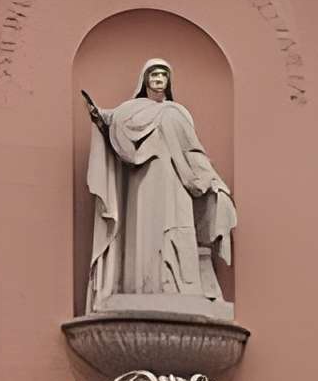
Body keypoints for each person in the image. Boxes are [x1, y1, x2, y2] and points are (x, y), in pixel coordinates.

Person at [80, 60, 236, 312]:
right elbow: (112, 121)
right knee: (146, 228)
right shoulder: (130, 110)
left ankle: (181, 287)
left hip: (177, 182)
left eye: (164, 74)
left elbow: (193, 151)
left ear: (169, 81)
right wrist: (99, 115)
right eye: (154, 73)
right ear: (144, 79)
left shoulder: (177, 113)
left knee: (178, 227)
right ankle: (145, 285)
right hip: (145, 180)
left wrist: (213, 182)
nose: (159, 78)